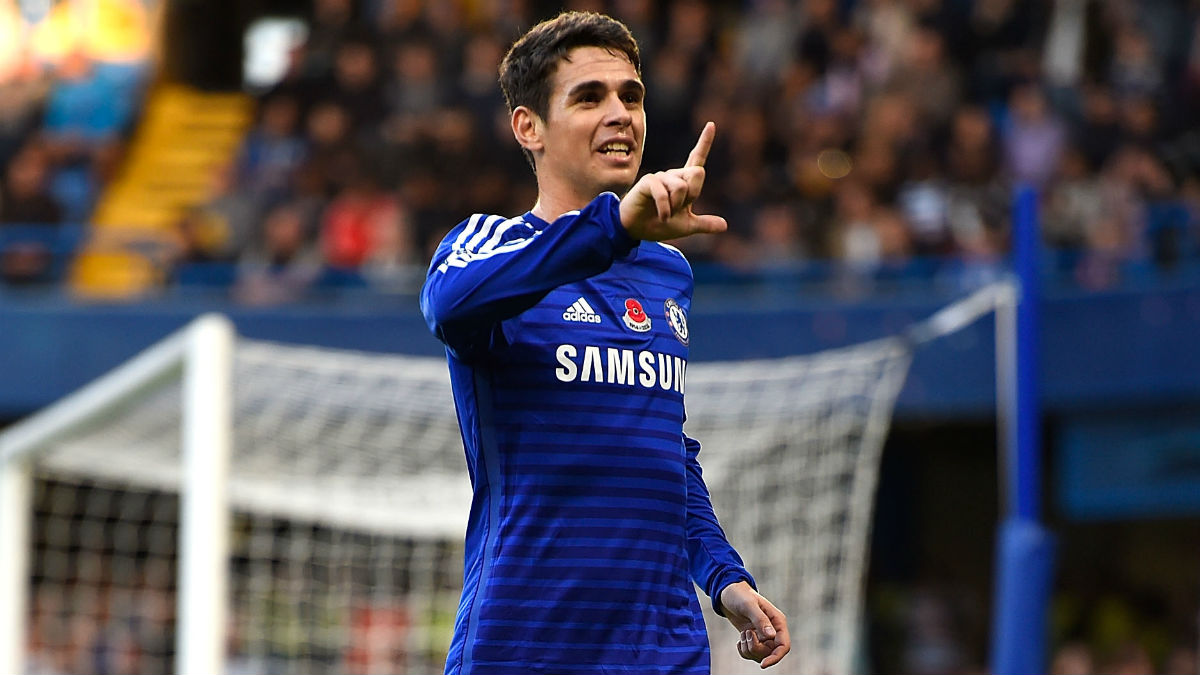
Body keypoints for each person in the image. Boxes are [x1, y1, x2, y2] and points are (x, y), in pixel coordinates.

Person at [420, 11, 790, 674]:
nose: (621, 112)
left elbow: (664, 452)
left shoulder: (667, 272)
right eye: (589, 97)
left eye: (632, 95)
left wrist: (724, 577)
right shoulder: (489, 246)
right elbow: (449, 305)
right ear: (528, 127)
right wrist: (614, 226)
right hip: (524, 642)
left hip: (661, 645)